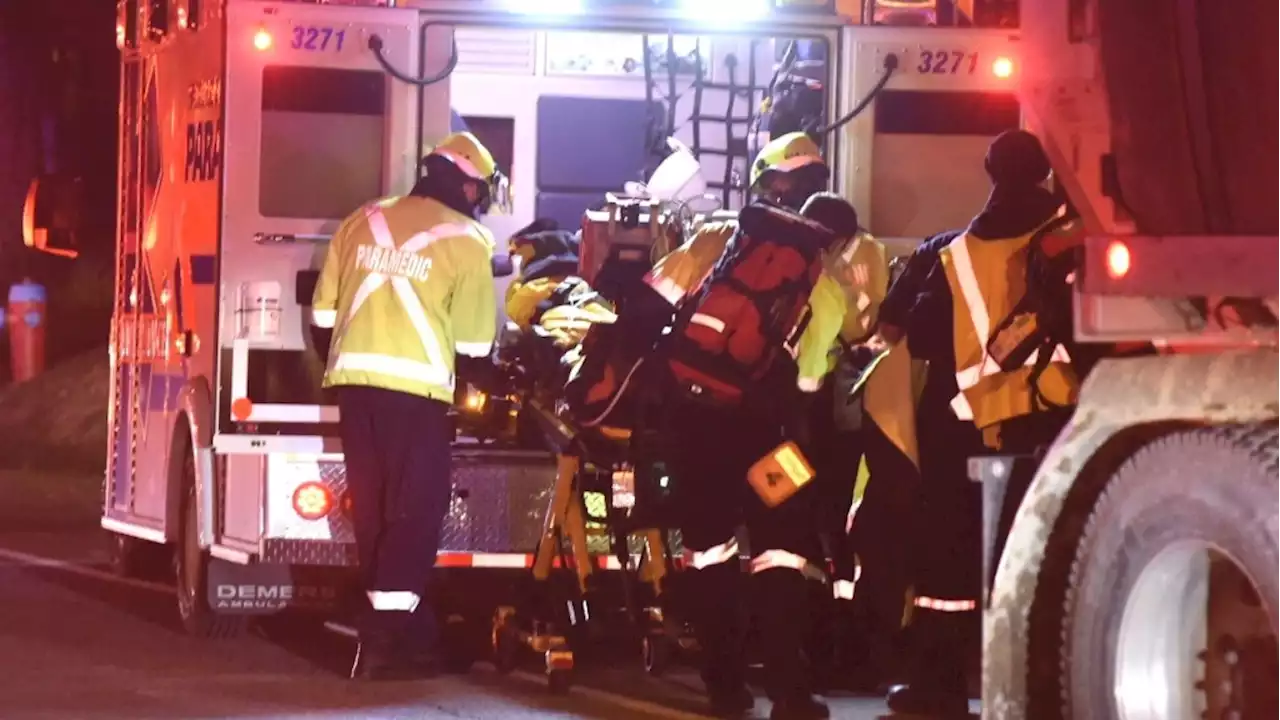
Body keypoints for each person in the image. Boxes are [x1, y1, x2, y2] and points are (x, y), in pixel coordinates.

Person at [645, 132, 840, 720]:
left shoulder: (715, 238)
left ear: (761, 185)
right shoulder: (819, 274)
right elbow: (811, 379)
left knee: (708, 553)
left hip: (697, 428)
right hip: (772, 436)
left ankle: (726, 689)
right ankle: (790, 692)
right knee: (782, 554)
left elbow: (650, 306)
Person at [887, 129, 1080, 715]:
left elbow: (916, 338)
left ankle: (939, 688)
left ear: (990, 173)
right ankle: (1041, 687)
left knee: (947, 556)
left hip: (965, 423)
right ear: (1047, 171)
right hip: (1057, 416)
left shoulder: (952, 251)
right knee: (1045, 552)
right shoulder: (1073, 237)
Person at [309, 131, 511, 680]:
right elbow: (473, 349)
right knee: (416, 513)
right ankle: (384, 639)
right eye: (481, 188)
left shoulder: (362, 219)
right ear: (468, 183)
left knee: (372, 512)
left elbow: (322, 320)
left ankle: (405, 629)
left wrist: (351, 365)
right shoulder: (469, 240)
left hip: (354, 387)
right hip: (418, 398)